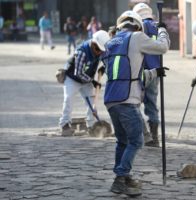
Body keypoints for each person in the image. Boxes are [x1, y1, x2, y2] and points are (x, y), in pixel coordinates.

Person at [102, 10, 169, 196]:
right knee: (137, 140)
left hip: (111, 99)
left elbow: (128, 74)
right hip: (127, 99)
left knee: (122, 141)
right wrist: (162, 30)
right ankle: (120, 177)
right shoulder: (137, 37)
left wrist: (155, 72)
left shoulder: (110, 43)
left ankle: (124, 176)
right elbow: (162, 47)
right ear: (137, 25)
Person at [59, 30, 110, 137]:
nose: (99, 52)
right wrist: (93, 82)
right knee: (68, 98)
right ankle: (64, 125)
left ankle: (91, 126)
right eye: (97, 49)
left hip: (86, 79)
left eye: (101, 50)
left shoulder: (100, 50)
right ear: (93, 43)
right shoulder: (82, 51)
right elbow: (78, 73)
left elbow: (106, 60)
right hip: (73, 78)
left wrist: (104, 67)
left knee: (92, 102)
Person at [133, 2, 161, 147]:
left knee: (133, 102)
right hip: (156, 71)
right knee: (152, 104)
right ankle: (155, 137)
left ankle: (144, 134)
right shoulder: (158, 27)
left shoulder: (139, 28)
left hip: (141, 70)